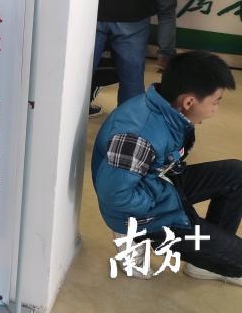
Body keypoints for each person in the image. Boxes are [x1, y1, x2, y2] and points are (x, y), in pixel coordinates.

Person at [92, 50, 240, 283]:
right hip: (142, 212)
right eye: (215, 102)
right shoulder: (138, 136)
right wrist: (156, 204)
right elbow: (115, 196)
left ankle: (204, 263)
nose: (215, 109)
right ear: (188, 101)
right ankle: (135, 236)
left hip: (160, 183)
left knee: (236, 174)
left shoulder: (165, 108)